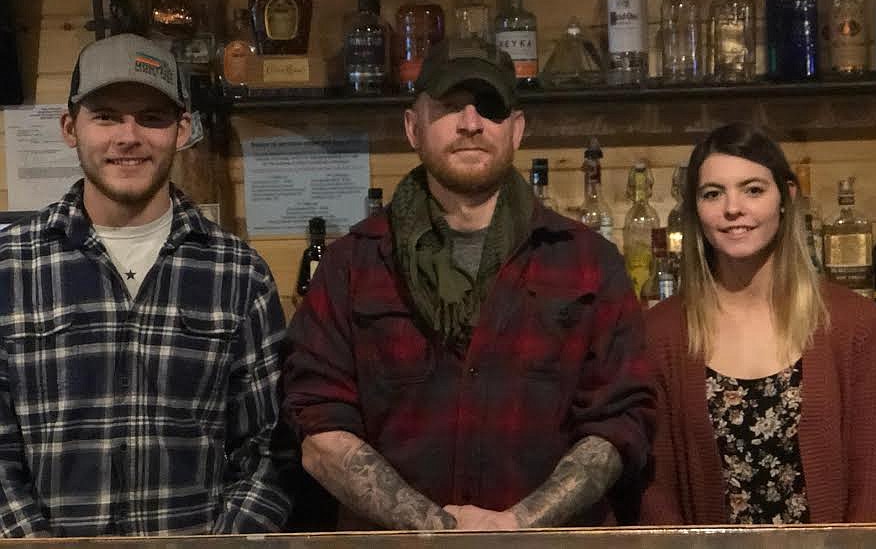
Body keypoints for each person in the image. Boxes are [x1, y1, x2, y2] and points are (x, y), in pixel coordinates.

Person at [283, 37, 654, 530]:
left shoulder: (588, 262)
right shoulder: (351, 266)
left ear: (517, 130)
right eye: (450, 107)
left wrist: (516, 526)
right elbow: (317, 421)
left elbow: (621, 420)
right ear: (413, 128)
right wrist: (436, 532)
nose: (471, 124)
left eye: (490, 108)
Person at [0, 34, 291, 537]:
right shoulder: (11, 265)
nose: (128, 135)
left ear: (182, 130)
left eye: (152, 117)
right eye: (107, 115)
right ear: (71, 128)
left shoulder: (238, 274)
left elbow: (268, 451)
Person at [641, 122, 876, 525]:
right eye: (713, 194)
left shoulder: (854, 324)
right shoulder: (662, 332)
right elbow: (656, 490)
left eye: (753, 189)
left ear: (786, 197)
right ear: (695, 208)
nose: (733, 208)